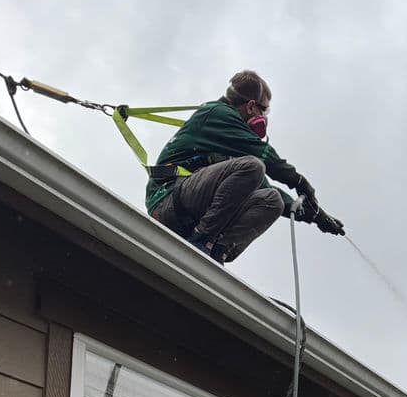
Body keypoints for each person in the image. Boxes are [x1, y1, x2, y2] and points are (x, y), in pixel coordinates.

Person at [145, 70, 344, 264]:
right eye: (263, 109)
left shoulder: (232, 144)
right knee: (254, 166)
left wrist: (315, 215)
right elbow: (265, 157)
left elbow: (265, 188)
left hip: (188, 206)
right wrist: (300, 182)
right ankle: (202, 240)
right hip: (167, 202)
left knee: (272, 200)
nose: (264, 116)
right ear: (250, 106)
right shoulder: (218, 113)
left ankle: (216, 252)